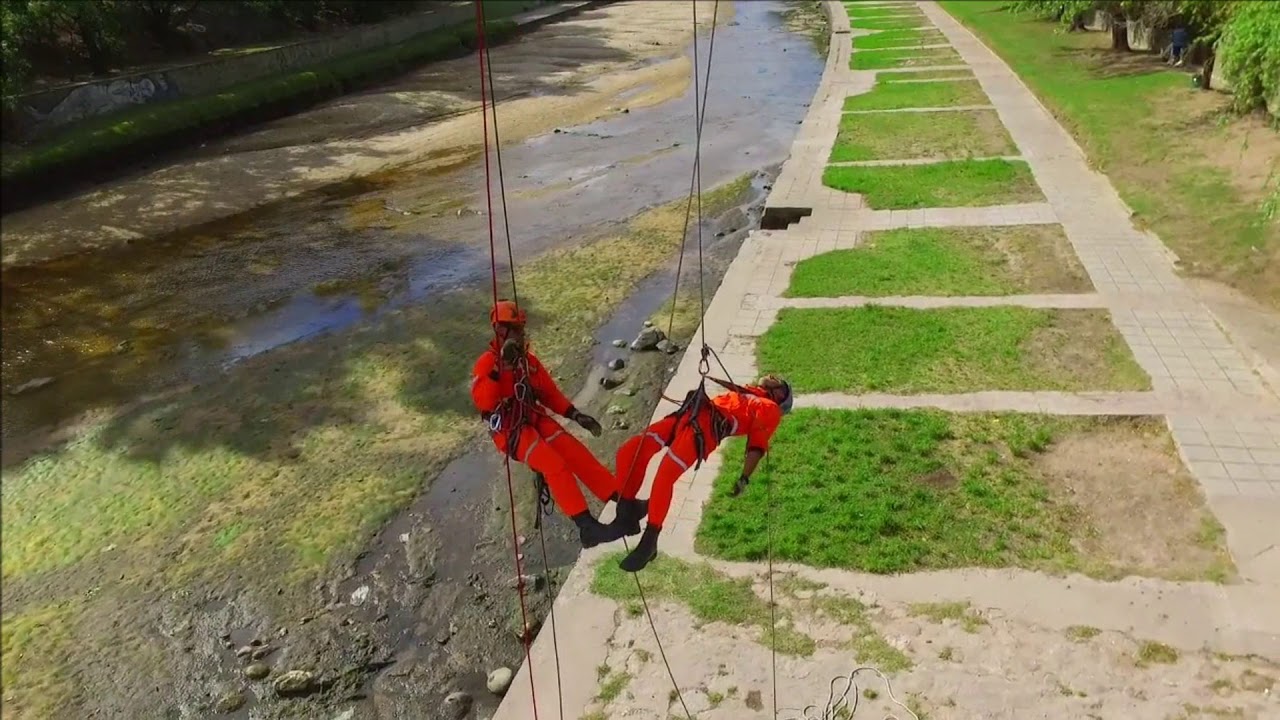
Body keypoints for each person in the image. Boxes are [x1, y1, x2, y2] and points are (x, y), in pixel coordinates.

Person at [471, 300, 630, 548]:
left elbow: (548, 393)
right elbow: (485, 402)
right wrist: (500, 368)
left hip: (533, 418)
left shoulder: (528, 360)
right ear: (500, 331)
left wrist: (576, 415)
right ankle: (587, 528)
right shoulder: (487, 364)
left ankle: (621, 500)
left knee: (574, 451)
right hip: (510, 431)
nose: (521, 333)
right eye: (516, 329)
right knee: (554, 465)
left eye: (521, 328)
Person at [610, 374, 793, 572]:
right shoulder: (743, 393)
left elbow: (756, 446)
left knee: (664, 478)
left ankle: (650, 541)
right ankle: (628, 509)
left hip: (703, 431)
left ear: (780, 395)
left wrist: (744, 477)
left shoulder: (770, 408)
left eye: (780, 382)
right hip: (689, 415)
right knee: (629, 451)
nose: (774, 377)